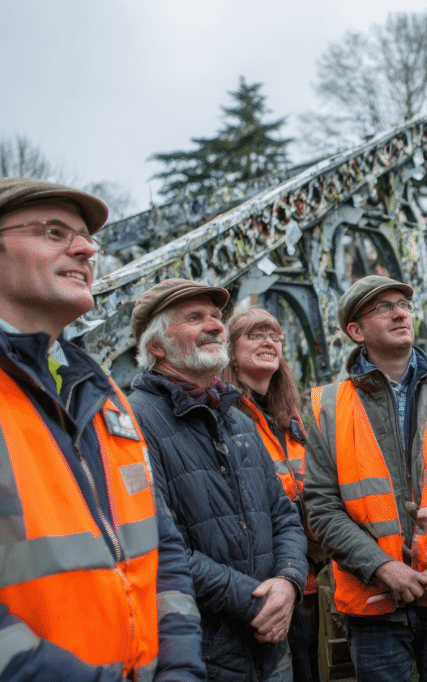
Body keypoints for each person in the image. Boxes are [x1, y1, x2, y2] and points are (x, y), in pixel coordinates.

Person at [0, 178, 206, 681]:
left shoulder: (105, 395)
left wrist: (181, 670)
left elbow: (163, 555)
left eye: (85, 238)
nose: (85, 249)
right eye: (54, 232)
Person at [303, 275, 427, 682]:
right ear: (356, 331)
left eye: (404, 305)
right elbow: (321, 509)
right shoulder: (328, 406)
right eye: (382, 307)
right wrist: (380, 566)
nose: (399, 313)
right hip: (373, 601)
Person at [126, 279, 308, 682]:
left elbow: (283, 516)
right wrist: (256, 601)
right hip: (203, 652)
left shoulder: (238, 421)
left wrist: (289, 580)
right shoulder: (134, 423)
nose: (215, 326)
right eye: (195, 318)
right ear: (156, 346)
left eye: (216, 317)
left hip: (272, 648)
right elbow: (157, 546)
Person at [224, 309, 325, 682]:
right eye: (255, 335)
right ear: (230, 352)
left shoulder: (296, 422)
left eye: (275, 336)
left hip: (309, 583)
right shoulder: (226, 418)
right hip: (263, 588)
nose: (269, 342)